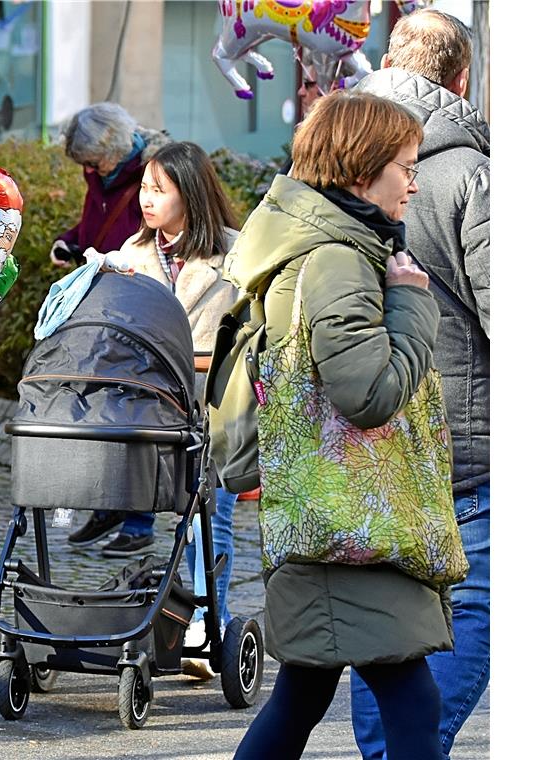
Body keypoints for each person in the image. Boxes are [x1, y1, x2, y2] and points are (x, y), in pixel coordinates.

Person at [228, 91, 447, 760]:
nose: (414, 182)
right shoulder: (336, 257)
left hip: (324, 513)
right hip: (349, 517)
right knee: (412, 699)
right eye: (404, 167)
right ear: (360, 171)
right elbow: (369, 394)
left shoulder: (325, 244)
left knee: (304, 693)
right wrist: (413, 308)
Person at [351, 10, 490, 759]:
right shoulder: (471, 171)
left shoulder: (329, 158)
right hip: (466, 438)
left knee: (383, 614)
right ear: (460, 78)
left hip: (368, 433)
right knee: (478, 602)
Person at [100, 141, 240, 677]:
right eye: (144, 187)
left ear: (192, 192)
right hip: (146, 413)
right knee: (172, 518)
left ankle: (208, 622)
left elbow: (251, 338)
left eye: (159, 189)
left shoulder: (235, 254)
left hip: (213, 411)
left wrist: (195, 359)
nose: (145, 199)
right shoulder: (131, 257)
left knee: (210, 518)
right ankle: (162, 618)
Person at [54, 102, 173, 556]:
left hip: (139, 304)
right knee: (100, 407)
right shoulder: (100, 175)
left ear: (114, 148)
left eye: (91, 161)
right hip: (100, 301)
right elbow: (96, 227)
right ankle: (108, 505)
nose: (87, 169)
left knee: (135, 410)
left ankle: (138, 524)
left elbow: (155, 233)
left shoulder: (155, 173)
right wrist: (71, 241)